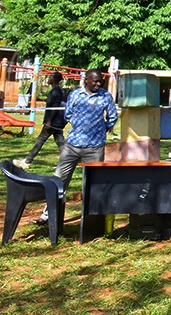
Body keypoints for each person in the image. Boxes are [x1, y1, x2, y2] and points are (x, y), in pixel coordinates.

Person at [34, 69, 117, 225]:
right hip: (72, 145)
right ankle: (48, 215)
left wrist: (103, 129)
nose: (98, 84)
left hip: (95, 147)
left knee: (93, 184)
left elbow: (112, 117)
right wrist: (80, 125)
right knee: (58, 180)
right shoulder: (75, 94)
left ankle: (92, 221)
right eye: (95, 81)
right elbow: (68, 114)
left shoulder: (106, 96)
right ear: (86, 80)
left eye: (100, 81)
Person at [16, 72, 67, 170]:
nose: (48, 78)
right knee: (60, 142)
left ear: (54, 79)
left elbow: (55, 106)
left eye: (50, 77)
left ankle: (27, 161)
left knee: (40, 140)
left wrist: (49, 121)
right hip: (57, 122)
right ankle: (66, 162)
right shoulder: (59, 90)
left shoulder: (56, 91)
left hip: (53, 122)